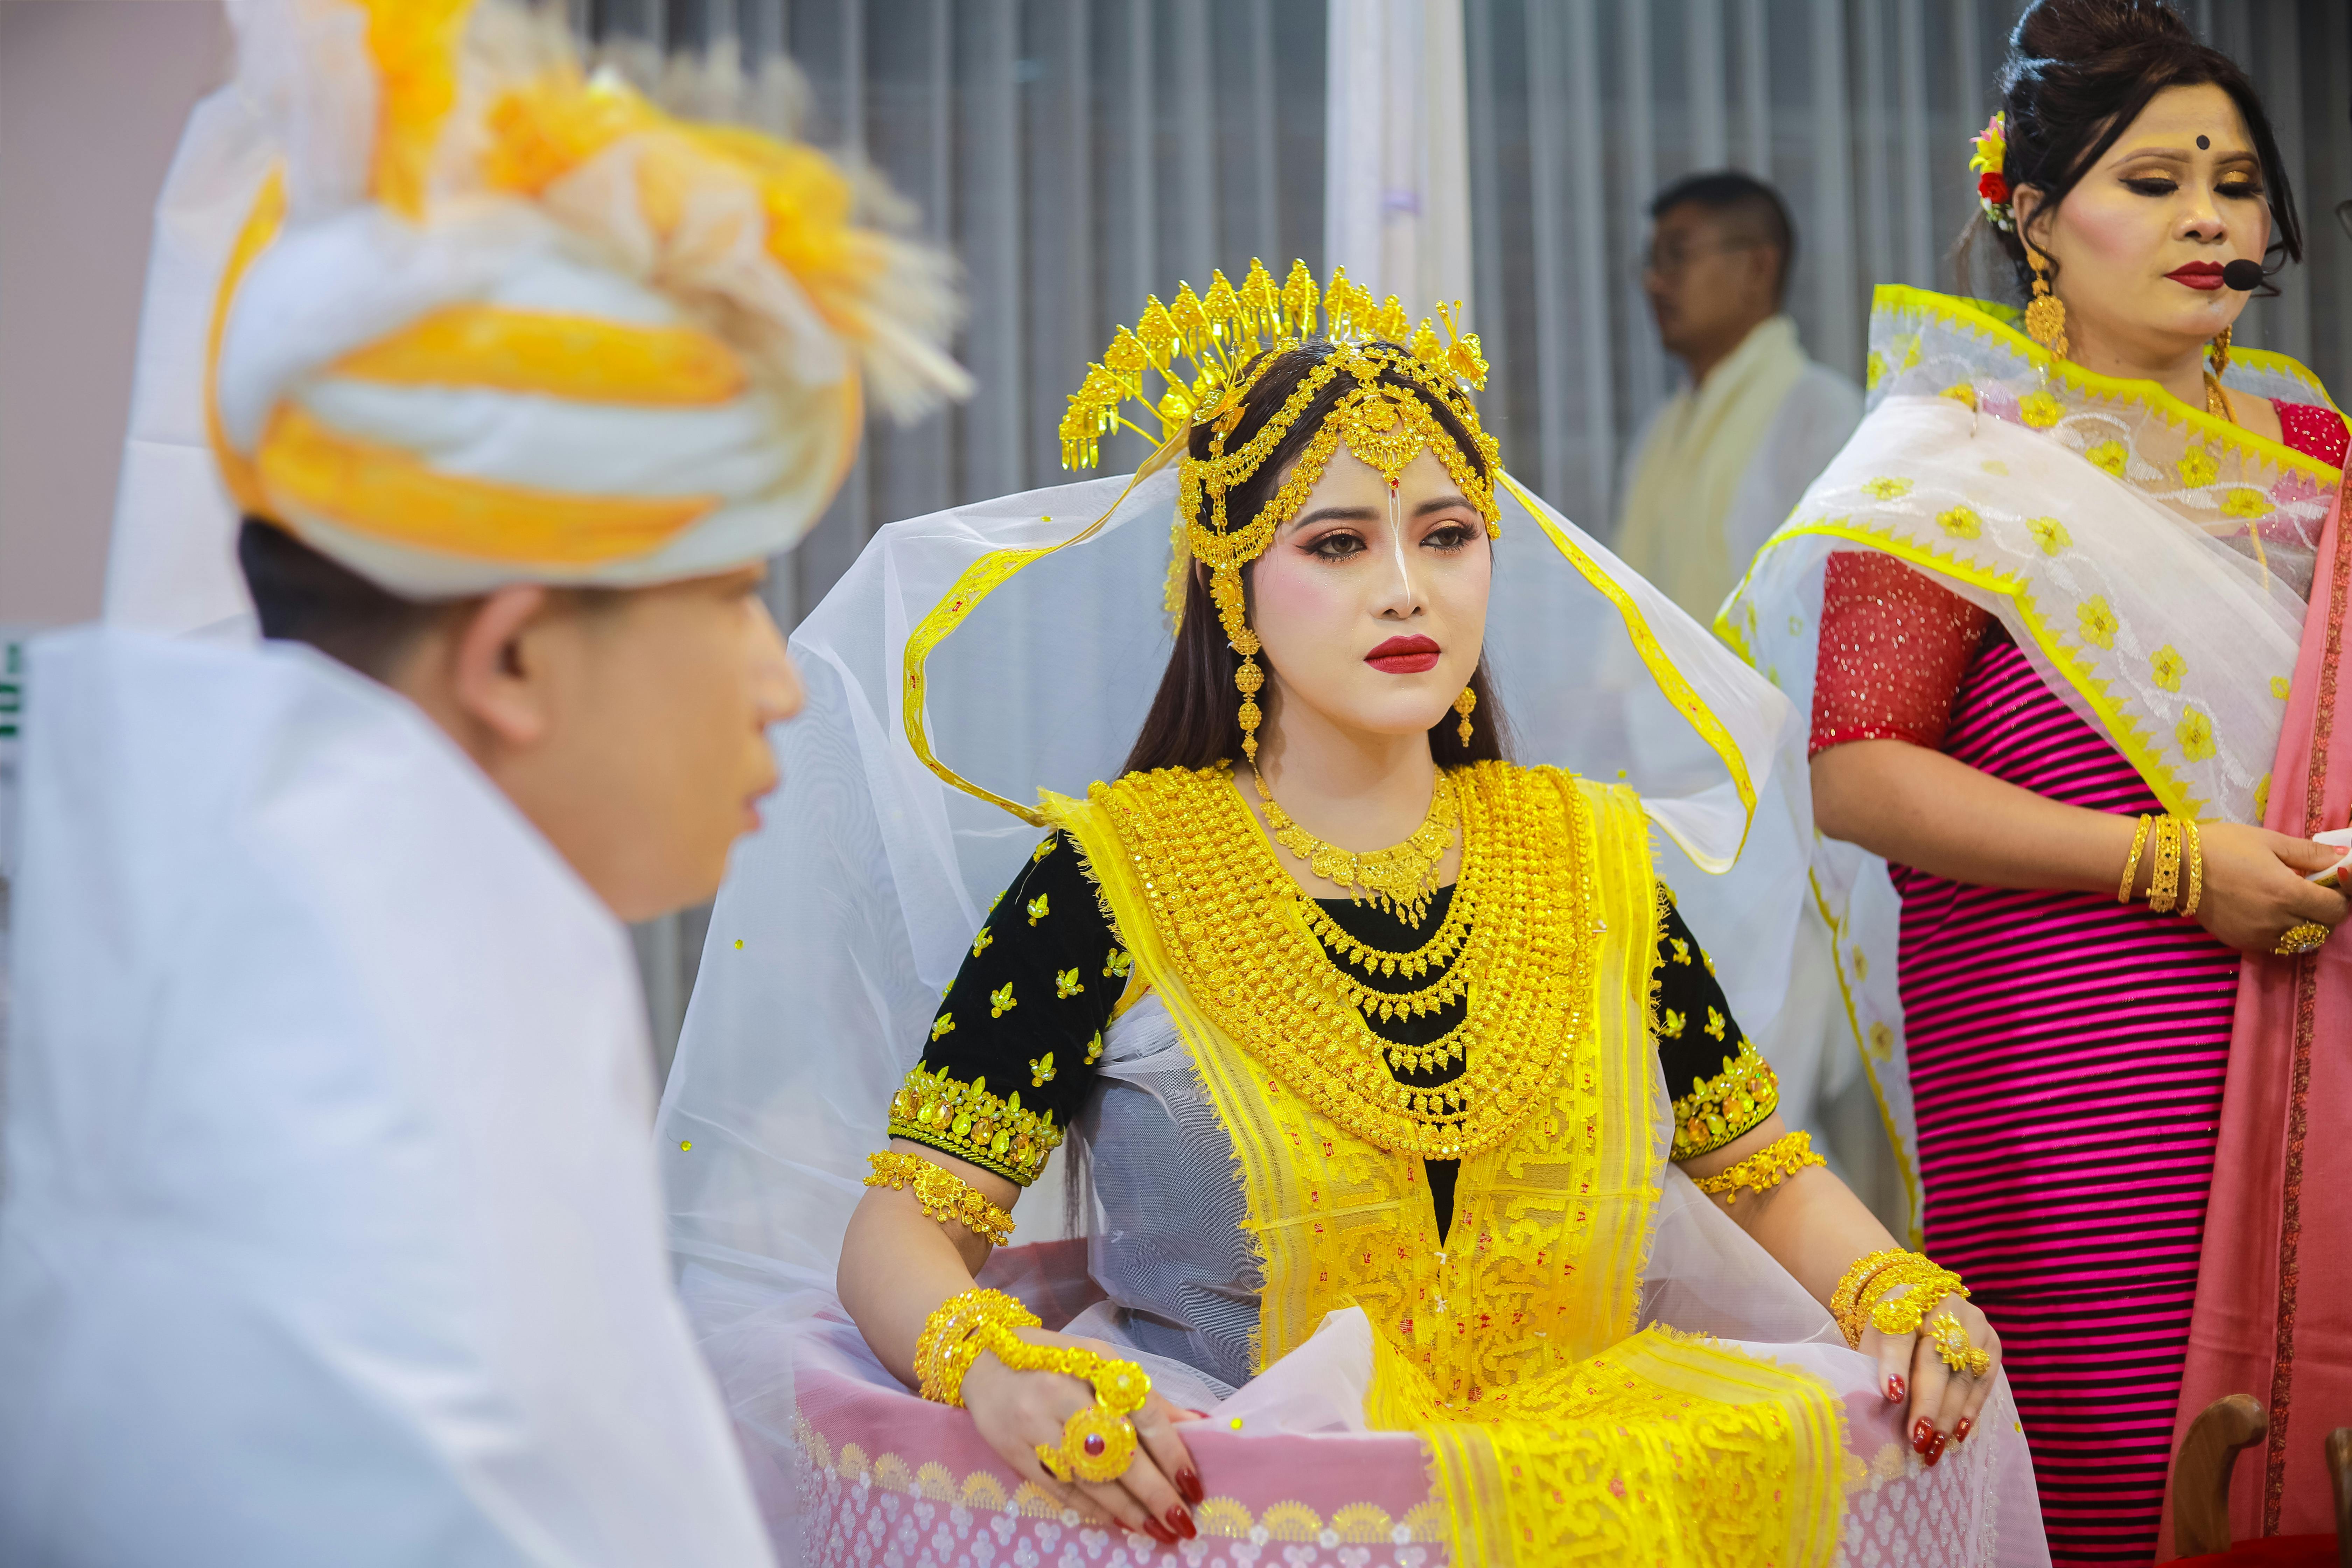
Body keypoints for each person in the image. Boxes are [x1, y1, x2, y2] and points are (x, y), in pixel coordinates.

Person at [655, 260, 2050, 1564]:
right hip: (1250, 1515)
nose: (1404, 588)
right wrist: (992, 1365)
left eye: (1446, 536)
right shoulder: (1111, 879)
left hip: (1604, 1496)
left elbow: (1759, 1169)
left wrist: (1899, 1290)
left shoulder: (1597, 858)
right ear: (1232, 578)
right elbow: (904, 1228)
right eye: (1336, 542)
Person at [0, 1, 965, 1563]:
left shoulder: (320, 969)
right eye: (732, 595)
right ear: (513, 656)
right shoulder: (353, 1152)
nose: (783, 677)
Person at [1721, 1, 2348, 1559]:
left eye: (2237, 183)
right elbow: (1859, 775)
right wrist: (2175, 867)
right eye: (2155, 181)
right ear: (2034, 215)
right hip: (2078, 1060)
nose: (2210, 218)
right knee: (2126, 1469)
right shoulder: (1952, 466)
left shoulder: (2321, 453)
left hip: (2320, 1020)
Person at [1615, 172, 1864, 626]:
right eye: (1651, 261)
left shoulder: (1821, 414)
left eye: (1676, 256)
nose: (1654, 281)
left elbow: (1832, 612)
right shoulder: (1661, 431)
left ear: (1757, 269)